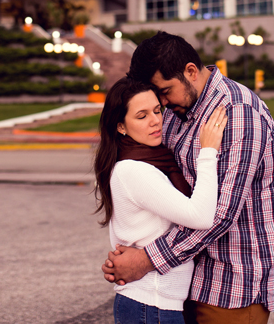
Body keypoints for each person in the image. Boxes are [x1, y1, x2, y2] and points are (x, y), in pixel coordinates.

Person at [102, 31, 274, 324]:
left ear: (190, 71)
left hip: (230, 284)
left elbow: (220, 215)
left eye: (164, 91)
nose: (160, 105)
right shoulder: (176, 110)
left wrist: (145, 260)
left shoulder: (238, 114)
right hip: (181, 281)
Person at [94, 76, 229, 324]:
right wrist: (208, 152)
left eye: (157, 110)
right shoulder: (134, 171)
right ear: (121, 126)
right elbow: (201, 216)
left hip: (155, 304)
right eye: (142, 115)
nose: (156, 120)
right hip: (151, 306)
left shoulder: (152, 161)